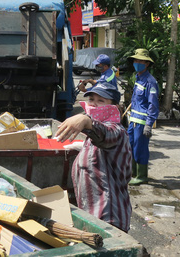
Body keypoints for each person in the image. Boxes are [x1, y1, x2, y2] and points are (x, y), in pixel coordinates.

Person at [54, 82, 132, 232]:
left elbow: (105, 134)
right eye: (91, 100)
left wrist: (86, 120)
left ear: (114, 106)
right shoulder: (93, 133)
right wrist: (81, 147)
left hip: (108, 215)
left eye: (101, 101)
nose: (94, 105)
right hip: (91, 211)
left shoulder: (116, 130)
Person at [127, 48, 159, 185]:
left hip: (141, 122)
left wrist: (149, 124)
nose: (136, 63)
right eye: (135, 60)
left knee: (140, 149)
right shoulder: (138, 78)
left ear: (146, 63)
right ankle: (133, 172)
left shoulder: (150, 81)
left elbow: (153, 104)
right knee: (130, 146)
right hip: (133, 119)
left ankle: (142, 176)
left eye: (139, 60)